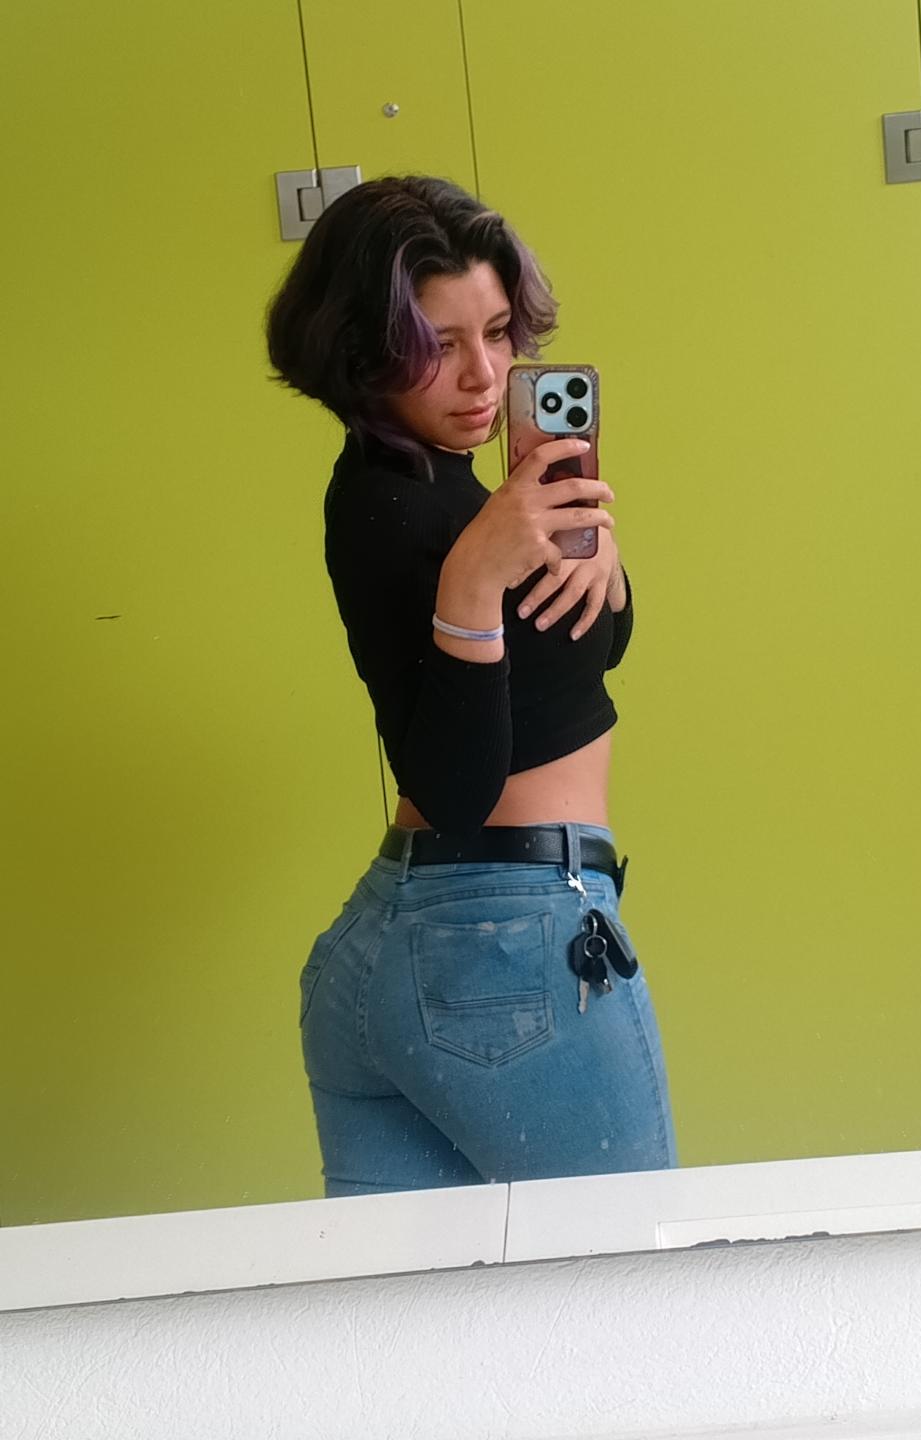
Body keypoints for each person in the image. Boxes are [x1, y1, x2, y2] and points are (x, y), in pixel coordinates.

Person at [265, 174, 676, 1196]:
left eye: (495, 333)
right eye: (438, 344)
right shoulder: (394, 507)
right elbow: (454, 784)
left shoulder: (448, 489)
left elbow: (584, 658)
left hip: (406, 944)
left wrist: (597, 556)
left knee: (421, 1299)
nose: (483, 375)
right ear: (363, 352)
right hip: (505, 945)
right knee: (629, 1272)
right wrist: (475, 580)